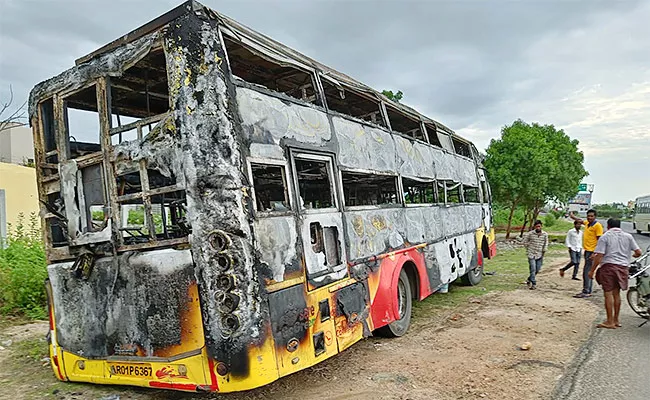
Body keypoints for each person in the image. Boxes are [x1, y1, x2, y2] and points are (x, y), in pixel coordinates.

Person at [588, 218, 642, 328]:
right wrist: (634, 256)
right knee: (616, 294)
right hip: (623, 268)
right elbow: (638, 252)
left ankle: (609, 321)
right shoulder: (628, 236)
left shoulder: (605, 237)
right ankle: (616, 320)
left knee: (608, 294)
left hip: (608, 267)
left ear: (608, 226)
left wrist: (592, 270)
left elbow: (599, 256)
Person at [569, 209, 604, 298]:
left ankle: (586, 291)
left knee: (587, 271)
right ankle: (588, 289)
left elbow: (600, 240)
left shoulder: (597, 226)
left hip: (592, 252)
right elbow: (580, 220)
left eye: (592, 216)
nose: (589, 217)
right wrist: (573, 216)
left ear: (595, 216)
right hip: (587, 250)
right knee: (588, 271)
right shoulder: (588, 224)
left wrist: (595, 252)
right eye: (588, 216)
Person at [522, 220, 548, 290]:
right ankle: (533, 283)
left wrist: (544, 251)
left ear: (541, 226)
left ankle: (529, 279)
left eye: (539, 226)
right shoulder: (530, 234)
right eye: (536, 226)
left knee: (537, 269)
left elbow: (546, 243)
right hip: (531, 254)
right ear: (534, 227)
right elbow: (524, 242)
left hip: (540, 254)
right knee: (532, 269)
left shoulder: (545, 234)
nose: (538, 228)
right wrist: (528, 248)